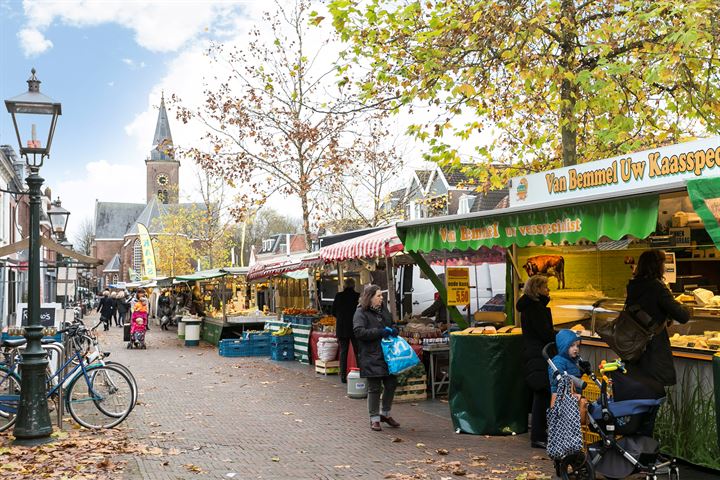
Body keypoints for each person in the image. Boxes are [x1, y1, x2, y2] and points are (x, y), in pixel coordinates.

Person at [613, 249, 690, 434]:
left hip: (635, 350)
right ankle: (647, 445)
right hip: (653, 351)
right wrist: (685, 305)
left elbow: (645, 313)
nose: (665, 267)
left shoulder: (633, 285)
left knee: (640, 400)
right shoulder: (656, 286)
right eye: (663, 263)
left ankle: (638, 444)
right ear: (658, 265)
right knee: (652, 400)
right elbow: (683, 315)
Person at [353, 284, 400, 432]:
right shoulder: (360, 312)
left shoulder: (384, 310)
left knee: (391, 383)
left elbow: (392, 323)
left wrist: (394, 330)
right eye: (378, 296)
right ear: (370, 297)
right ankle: (374, 418)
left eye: (381, 296)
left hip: (387, 355)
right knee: (374, 387)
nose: (381, 298)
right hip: (371, 355)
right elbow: (359, 332)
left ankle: (385, 413)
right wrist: (380, 332)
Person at [516, 274, 554, 449]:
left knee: (539, 393)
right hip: (540, 354)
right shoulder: (535, 309)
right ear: (537, 289)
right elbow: (545, 333)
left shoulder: (528, 306)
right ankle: (538, 436)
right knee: (542, 393)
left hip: (532, 352)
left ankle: (539, 434)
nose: (548, 290)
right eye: (545, 287)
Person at [332, 278, 360, 383]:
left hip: (342, 328)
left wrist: (341, 318)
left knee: (343, 352)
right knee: (358, 352)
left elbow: (333, 311)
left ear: (344, 285)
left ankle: (343, 376)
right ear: (354, 286)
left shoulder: (339, 296)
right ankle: (361, 372)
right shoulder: (357, 296)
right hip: (355, 327)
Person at [548, 329, 582, 393]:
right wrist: (579, 382)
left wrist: (582, 370)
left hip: (573, 395)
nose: (576, 348)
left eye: (577, 346)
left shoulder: (572, 360)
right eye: (572, 345)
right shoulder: (558, 361)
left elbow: (574, 372)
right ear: (563, 346)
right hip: (561, 396)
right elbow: (560, 377)